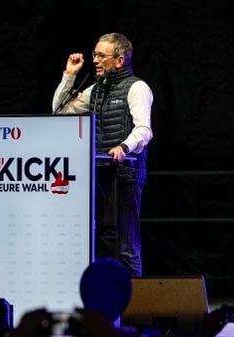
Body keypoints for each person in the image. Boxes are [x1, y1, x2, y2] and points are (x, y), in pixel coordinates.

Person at [52, 32, 153, 277]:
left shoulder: (137, 88)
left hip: (126, 171)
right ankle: (107, 305)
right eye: (94, 54)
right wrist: (69, 76)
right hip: (100, 171)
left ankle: (134, 306)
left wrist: (124, 147)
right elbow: (59, 111)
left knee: (126, 245)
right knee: (103, 240)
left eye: (101, 55)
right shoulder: (96, 90)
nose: (95, 60)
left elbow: (144, 130)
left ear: (119, 60)